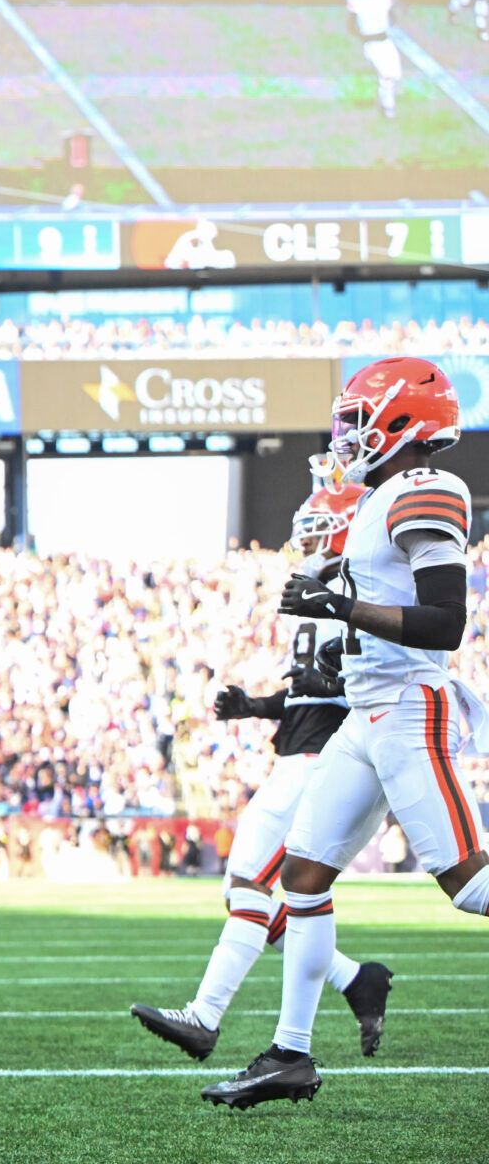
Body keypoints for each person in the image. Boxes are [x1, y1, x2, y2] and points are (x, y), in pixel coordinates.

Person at [204, 358, 482, 1108]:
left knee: (469, 885)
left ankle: (288, 1052)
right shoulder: (378, 498)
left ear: (403, 421)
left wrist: (338, 609)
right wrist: (339, 623)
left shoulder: (428, 489)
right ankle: (289, 1056)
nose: (348, 435)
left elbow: (444, 623)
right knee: (302, 877)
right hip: (366, 716)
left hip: (409, 708)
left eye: (362, 420)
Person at [135, 481, 390, 1061]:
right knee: (243, 888)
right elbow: (308, 692)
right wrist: (254, 706)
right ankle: (355, 979)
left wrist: (339, 675)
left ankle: (204, 1017)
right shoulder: (320, 591)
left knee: (251, 883)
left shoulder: (358, 591)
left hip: (327, 762)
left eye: (321, 525)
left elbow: (370, 679)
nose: (308, 536)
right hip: (297, 757)